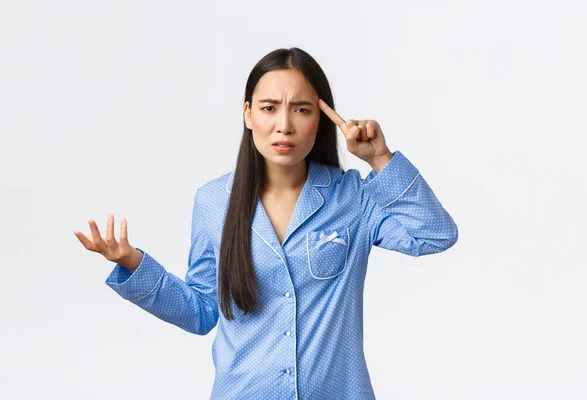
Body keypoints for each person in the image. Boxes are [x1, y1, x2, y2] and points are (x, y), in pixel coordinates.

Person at [74, 47, 458, 400]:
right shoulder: (212, 202)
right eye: (270, 108)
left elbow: (435, 234)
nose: (284, 125)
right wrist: (132, 264)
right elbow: (202, 311)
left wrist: (380, 158)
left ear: (321, 120)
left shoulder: (352, 198)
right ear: (248, 114)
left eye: (302, 109)